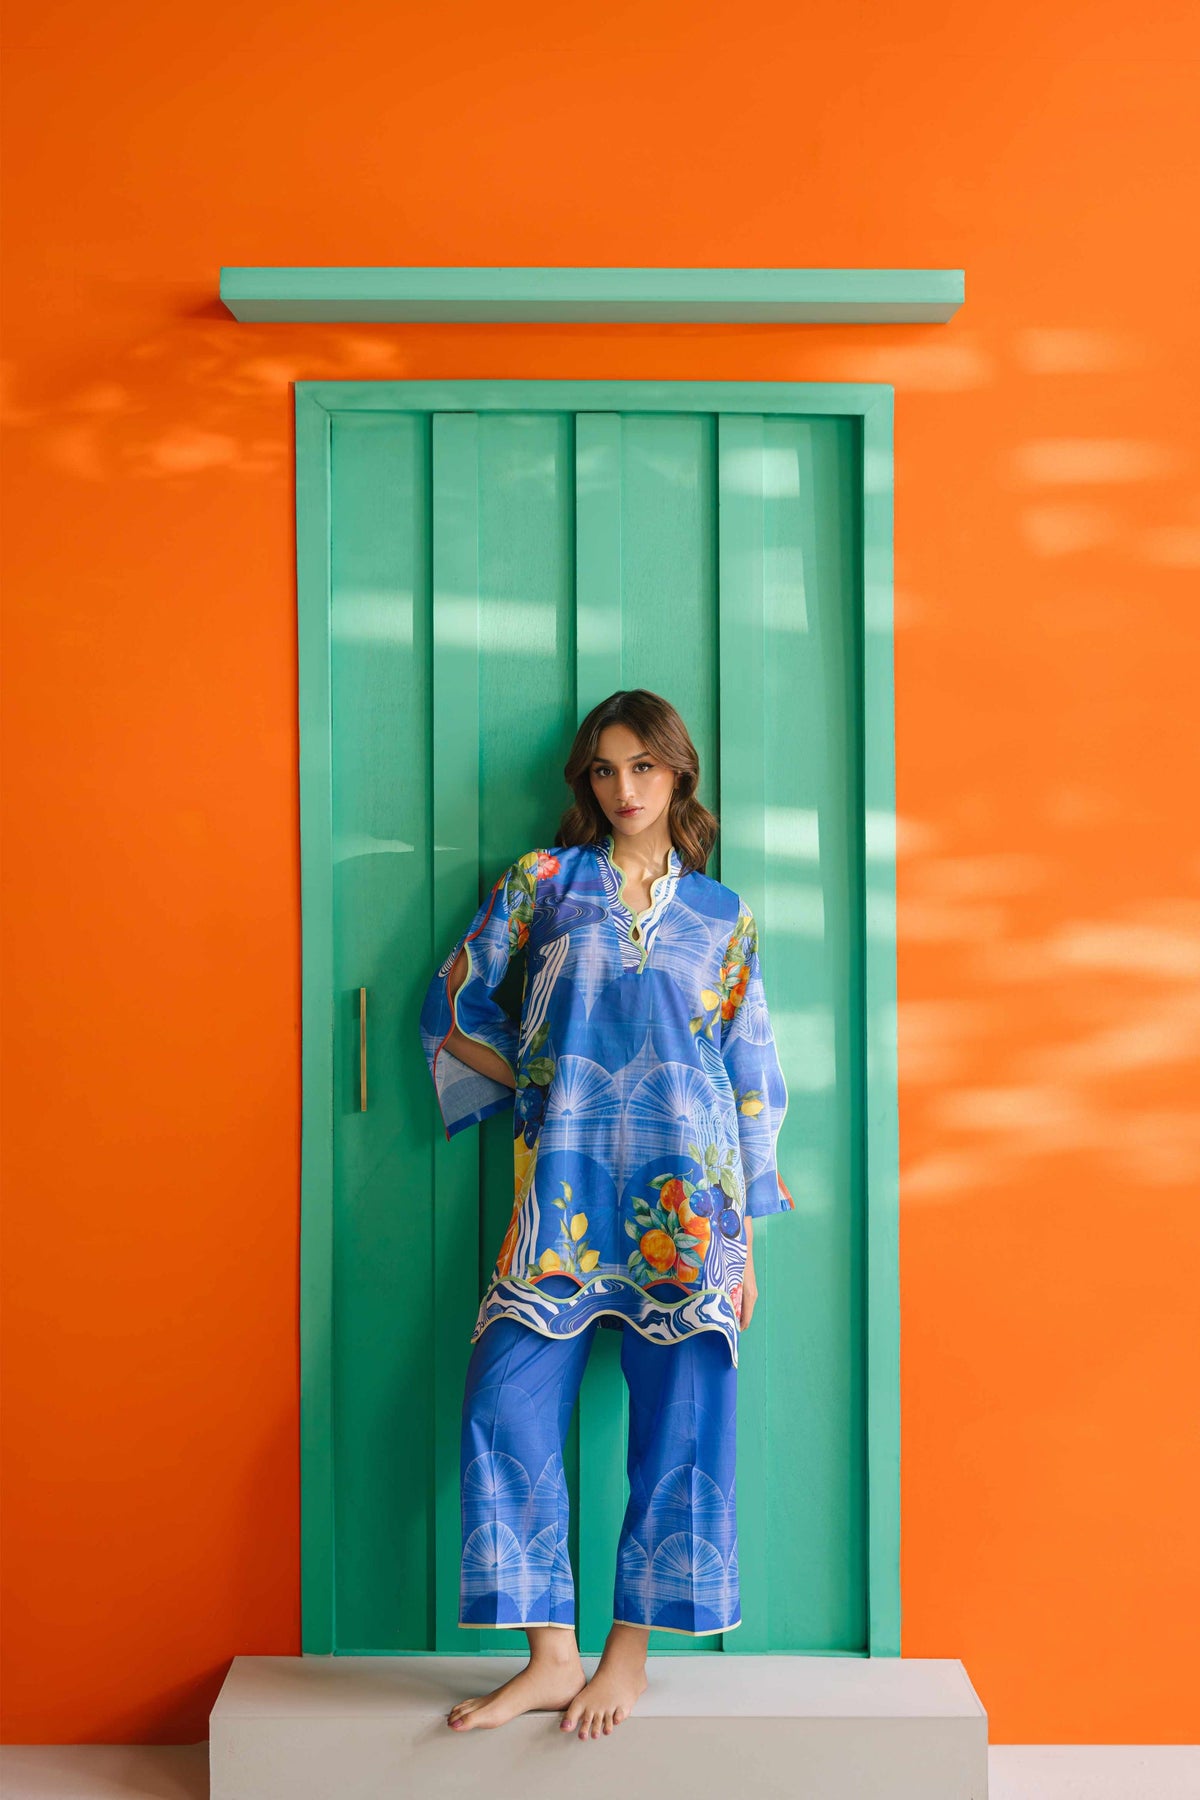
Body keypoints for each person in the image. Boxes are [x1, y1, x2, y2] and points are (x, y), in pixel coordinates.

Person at [419, 689, 794, 1740]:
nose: (623, 788)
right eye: (604, 769)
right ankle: (551, 1657)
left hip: (692, 1205)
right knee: (502, 1401)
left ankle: (626, 1658)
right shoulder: (543, 884)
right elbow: (452, 1004)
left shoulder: (723, 916)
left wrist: (745, 1244)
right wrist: (541, 1082)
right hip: (564, 1197)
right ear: (586, 781)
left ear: (678, 774)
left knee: (685, 1420)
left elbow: (750, 1078)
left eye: (643, 767)